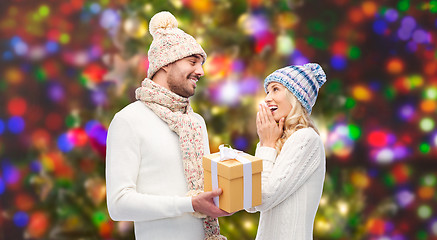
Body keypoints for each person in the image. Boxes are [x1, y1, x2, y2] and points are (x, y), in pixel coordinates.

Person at [105, 11, 229, 240]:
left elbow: (205, 192)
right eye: (192, 62)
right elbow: (118, 204)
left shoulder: (195, 122)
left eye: (201, 63)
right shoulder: (128, 121)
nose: (201, 71)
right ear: (165, 64)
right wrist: (188, 204)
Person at [249, 63, 327, 239]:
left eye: (275, 89)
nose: (267, 98)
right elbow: (251, 205)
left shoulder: (306, 139)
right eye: (267, 92)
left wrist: (267, 145)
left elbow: (262, 198)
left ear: (295, 97)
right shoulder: (270, 141)